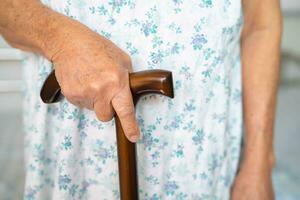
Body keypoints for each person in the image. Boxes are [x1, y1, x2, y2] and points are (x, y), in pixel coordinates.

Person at [0, 0, 282, 199]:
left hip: (203, 156)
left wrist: (258, 163)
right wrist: (59, 39)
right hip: (79, 152)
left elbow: (261, 23)